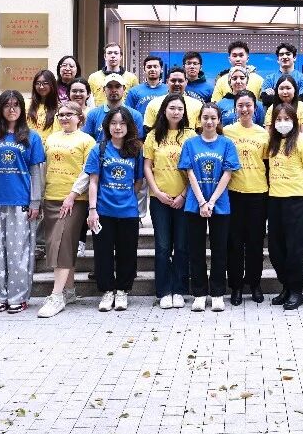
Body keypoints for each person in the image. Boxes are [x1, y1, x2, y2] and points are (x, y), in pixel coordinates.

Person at [0, 90, 46, 314]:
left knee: (19, 253)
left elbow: (36, 172)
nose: (12, 109)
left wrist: (35, 202)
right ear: (0, 109)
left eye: (16, 105)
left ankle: (18, 297)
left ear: (21, 109)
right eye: (7, 105)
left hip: (21, 204)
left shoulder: (31, 137)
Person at [75, 106, 143, 312]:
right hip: (103, 211)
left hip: (128, 211)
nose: (118, 127)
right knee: (103, 253)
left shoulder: (136, 150)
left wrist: (127, 197)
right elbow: (93, 182)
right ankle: (107, 291)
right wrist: (92, 210)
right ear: (107, 126)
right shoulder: (99, 149)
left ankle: (122, 290)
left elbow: (138, 181)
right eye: (114, 123)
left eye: (122, 123)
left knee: (127, 252)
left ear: (129, 126)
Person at [37, 101, 96, 318]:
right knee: (62, 245)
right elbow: (44, 168)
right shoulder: (51, 139)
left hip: (74, 200)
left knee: (61, 244)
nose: (64, 118)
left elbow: (88, 171)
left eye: (69, 114)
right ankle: (69, 291)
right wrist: (40, 196)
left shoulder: (87, 140)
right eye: (60, 114)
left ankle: (56, 296)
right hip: (51, 198)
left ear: (80, 117)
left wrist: (72, 195)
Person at [179, 102, 240, 312]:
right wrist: (201, 202)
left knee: (219, 250)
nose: (209, 122)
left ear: (219, 120)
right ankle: (199, 293)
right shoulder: (190, 144)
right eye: (205, 117)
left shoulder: (227, 144)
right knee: (196, 250)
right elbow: (189, 173)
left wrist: (212, 201)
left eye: (213, 118)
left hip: (220, 204)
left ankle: (217, 293)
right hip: (195, 203)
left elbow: (228, 174)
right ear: (200, 119)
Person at [265, 103, 303, 310]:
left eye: (287, 119)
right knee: (276, 249)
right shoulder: (271, 143)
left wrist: (302, 192)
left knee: (296, 249)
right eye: (278, 119)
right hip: (274, 200)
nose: (282, 123)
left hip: (296, 201)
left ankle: (296, 290)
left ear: (295, 121)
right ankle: (286, 286)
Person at [144, 94, 195, 309]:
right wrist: (156, 191)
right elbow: (147, 166)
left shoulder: (190, 135)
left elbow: (195, 168)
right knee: (163, 246)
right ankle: (164, 290)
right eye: (172, 108)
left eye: (180, 109)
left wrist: (183, 195)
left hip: (185, 199)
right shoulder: (153, 135)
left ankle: (180, 289)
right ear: (164, 110)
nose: (176, 112)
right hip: (159, 199)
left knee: (182, 246)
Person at [222, 91, 269, 304]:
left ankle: (255, 284)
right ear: (235, 108)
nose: (244, 109)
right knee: (234, 242)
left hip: (258, 193)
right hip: (233, 193)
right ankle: (236, 286)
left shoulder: (263, 133)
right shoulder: (227, 132)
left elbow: (267, 164)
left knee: (255, 242)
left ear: (255, 108)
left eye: (248, 105)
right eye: (240, 105)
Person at [84, 74, 144, 144]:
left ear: (124, 88)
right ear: (104, 89)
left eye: (117, 86)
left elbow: (138, 142)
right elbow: (87, 142)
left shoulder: (135, 115)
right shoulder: (93, 114)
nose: (114, 90)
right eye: (109, 87)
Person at [142, 66, 203, 131]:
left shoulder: (197, 105)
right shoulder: (154, 104)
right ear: (167, 82)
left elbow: (199, 131)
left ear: (186, 82)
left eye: (180, 81)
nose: (177, 84)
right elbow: (148, 130)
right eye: (173, 80)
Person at [260, 42, 303, 107]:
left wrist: (275, 96)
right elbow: (266, 101)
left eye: (288, 54)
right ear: (278, 59)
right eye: (281, 54)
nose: (284, 57)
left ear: (294, 58)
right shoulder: (269, 79)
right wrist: (294, 97)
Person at [27, 69, 60, 137]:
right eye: (38, 83)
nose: (41, 86)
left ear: (52, 84)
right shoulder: (26, 104)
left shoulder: (60, 107)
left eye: (45, 83)